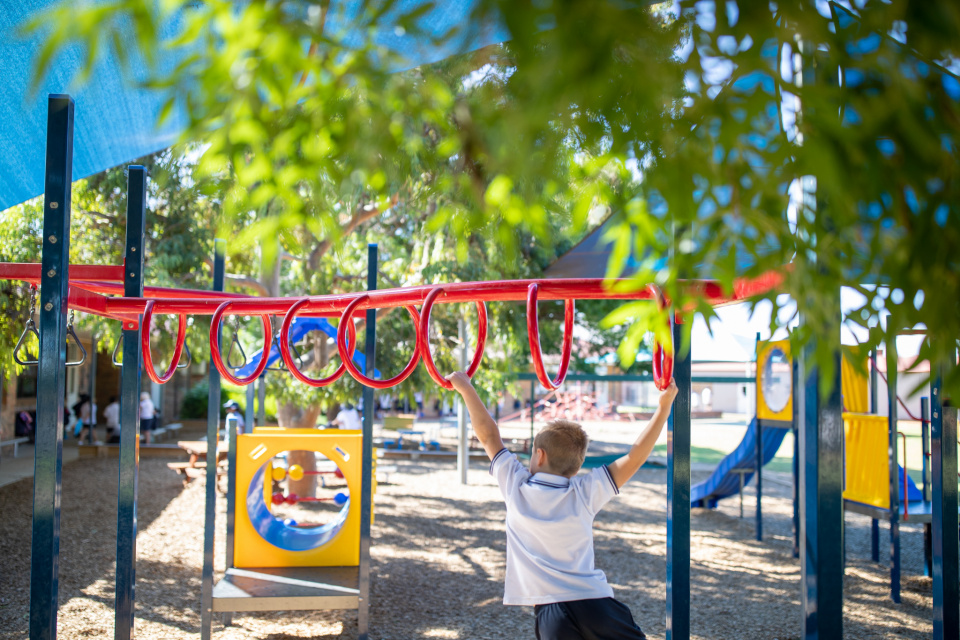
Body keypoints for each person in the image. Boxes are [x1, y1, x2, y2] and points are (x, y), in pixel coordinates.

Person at [447, 371, 678, 640]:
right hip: (596, 603)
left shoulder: (516, 485)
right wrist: (664, 406)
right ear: (577, 466)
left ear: (539, 454)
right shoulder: (583, 492)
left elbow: (488, 435)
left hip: (550, 609)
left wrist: (466, 389)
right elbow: (635, 457)